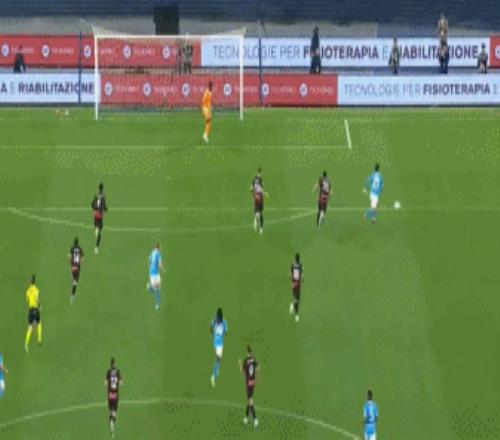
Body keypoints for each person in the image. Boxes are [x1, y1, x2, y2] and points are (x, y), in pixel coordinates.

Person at [239, 346, 259, 428]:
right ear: (251, 351)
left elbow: (242, 371)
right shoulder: (253, 359)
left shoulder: (245, 360)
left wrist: (240, 363)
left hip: (248, 383)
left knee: (250, 401)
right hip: (253, 382)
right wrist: (257, 378)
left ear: (247, 351)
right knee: (249, 400)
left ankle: (255, 419)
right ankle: (246, 418)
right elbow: (258, 368)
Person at [210, 307, 227, 388]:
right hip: (219, 343)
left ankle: (217, 370)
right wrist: (221, 333)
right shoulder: (223, 321)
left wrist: (213, 334)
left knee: (218, 358)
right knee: (217, 358)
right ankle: (213, 376)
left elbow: (210, 328)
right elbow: (225, 332)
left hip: (216, 341)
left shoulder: (215, 320)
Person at [105, 357, 122, 438]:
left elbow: (105, 383)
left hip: (110, 394)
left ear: (110, 364)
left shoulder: (108, 372)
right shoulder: (118, 372)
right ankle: (112, 420)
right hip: (115, 393)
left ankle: (112, 422)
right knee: (114, 411)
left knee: (111, 410)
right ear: (115, 364)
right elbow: (121, 383)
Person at [25, 274, 42, 352]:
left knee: (30, 327)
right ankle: (39, 339)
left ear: (30, 282)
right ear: (35, 282)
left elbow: (27, 300)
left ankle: (26, 343)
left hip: (30, 310)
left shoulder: (28, 290)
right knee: (39, 323)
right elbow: (37, 299)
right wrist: (40, 305)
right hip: (35, 309)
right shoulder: (36, 290)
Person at [146, 242, 164, 311]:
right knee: (157, 288)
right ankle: (157, 303)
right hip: (155, 274)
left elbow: (149, 260)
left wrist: (150, 268)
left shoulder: (152, 253)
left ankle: (158, 303)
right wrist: (163, 269)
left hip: (152, 273)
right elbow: (160, 264)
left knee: (158, 288)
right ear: (159, 248)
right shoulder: (158, 254)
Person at [250, 168, 268, 234]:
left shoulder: (254, 179)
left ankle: (255, 220)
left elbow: (251, 188)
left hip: (255, 197)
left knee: (257, 212)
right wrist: (265, 193)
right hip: (260, 197)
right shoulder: (260, 179)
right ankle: (261, 228)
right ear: (261, 172)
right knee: (261, 213)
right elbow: (260, 188)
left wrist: (253, 195)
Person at [91, 183, 108, 254]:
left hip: (95, 214)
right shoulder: (103, 196)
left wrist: (94, 209)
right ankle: (96, 248)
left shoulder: (96, 195)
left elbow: (92, 204)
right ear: (103, 188)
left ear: (98, 188)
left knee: (96, 227)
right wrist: (106, 209)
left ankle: (96, 229)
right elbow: (104, 205)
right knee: (100, 232)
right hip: (100, 215)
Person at [69, 237, 84, 305]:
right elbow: (83, 259)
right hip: (77, 267)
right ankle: (72, 296)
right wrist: (81, 260)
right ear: (78, 243)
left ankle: (72, 276)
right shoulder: (80, 248)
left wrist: (71, 262)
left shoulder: (72, 248)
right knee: (75, 283)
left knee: (74, 278)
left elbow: (70, 257)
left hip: (73, 266)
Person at [289, 253, 303, 322]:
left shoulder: (293, 265)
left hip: (294, 284)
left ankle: (292, 304)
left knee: (296, 299)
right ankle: (296, 314)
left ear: (295, 258)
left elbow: (289, 274)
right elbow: (302, 275)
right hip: (297, 284)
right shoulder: (300, 265)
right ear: (299, 259)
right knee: (297, 300)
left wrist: (292, 282)